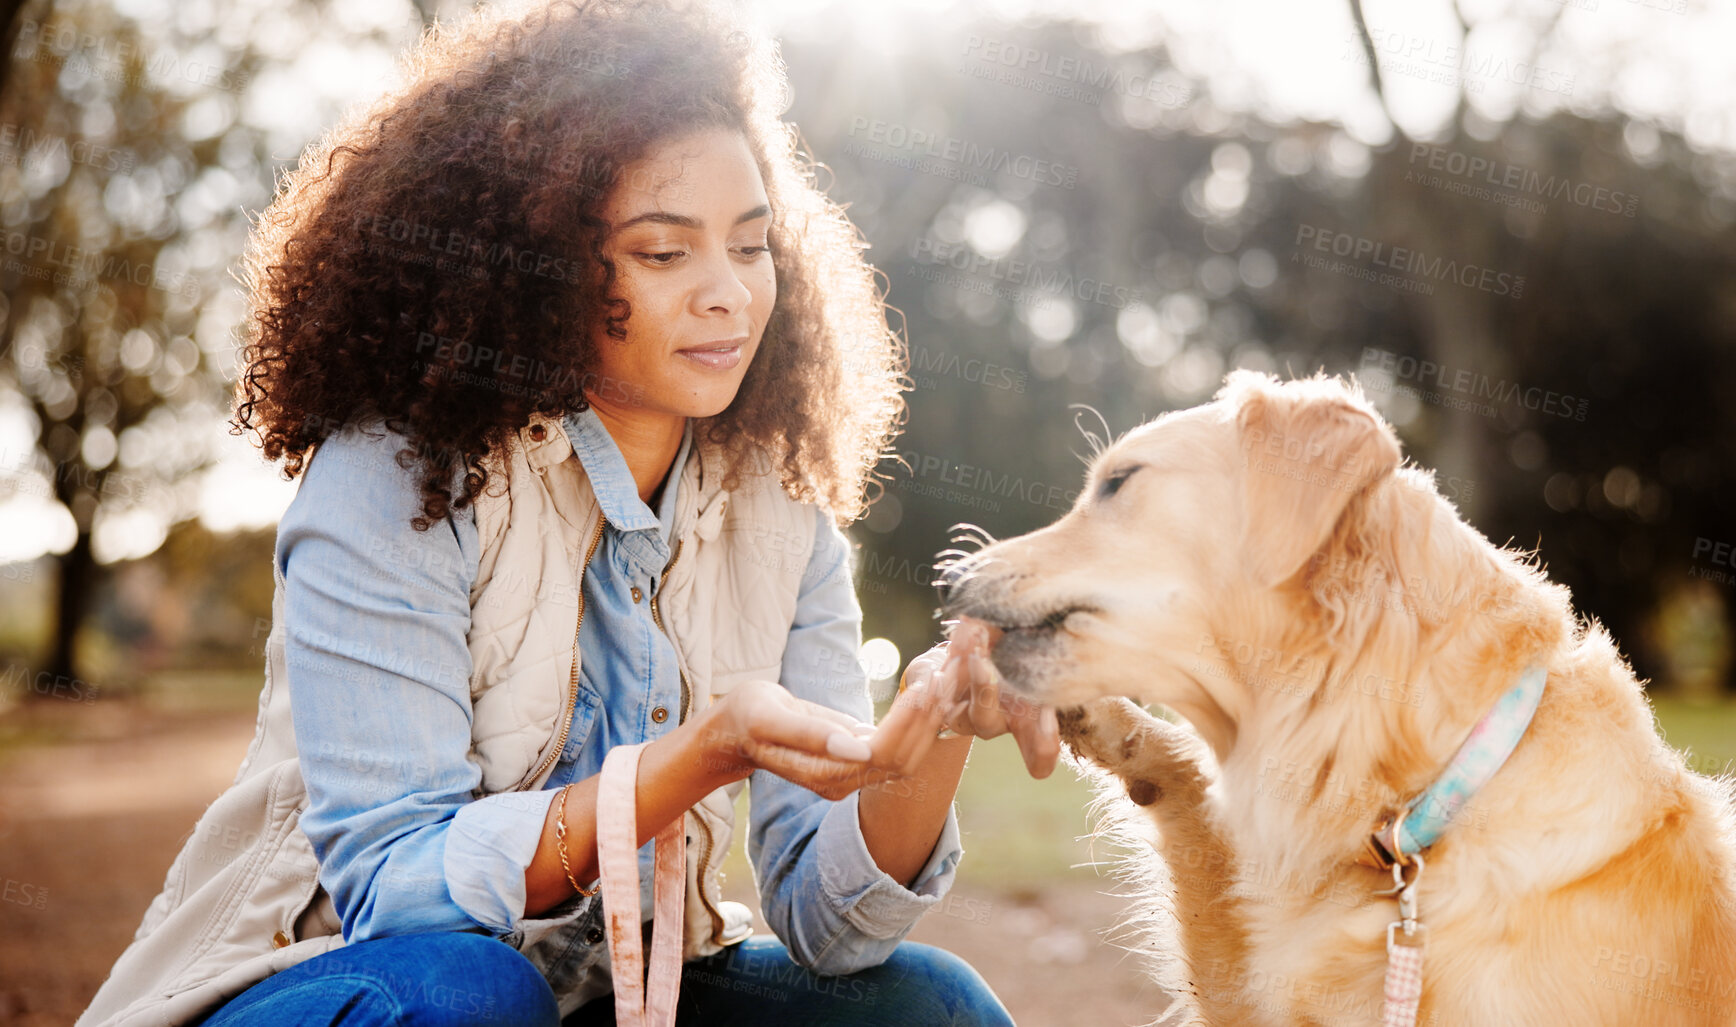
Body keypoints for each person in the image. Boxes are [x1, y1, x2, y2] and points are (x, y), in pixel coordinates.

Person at [76, 2, 1058, 1025]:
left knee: (930, 1006)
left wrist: (936, 725)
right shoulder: (396, 471)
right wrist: (697, 757)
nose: (730, 293)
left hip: (607, 996)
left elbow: (833, 927)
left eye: (753, 244)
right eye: (664, 253)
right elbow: (396, 891)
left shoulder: (781, 504)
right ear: (529, 266)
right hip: (332, 983)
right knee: (475, 994)